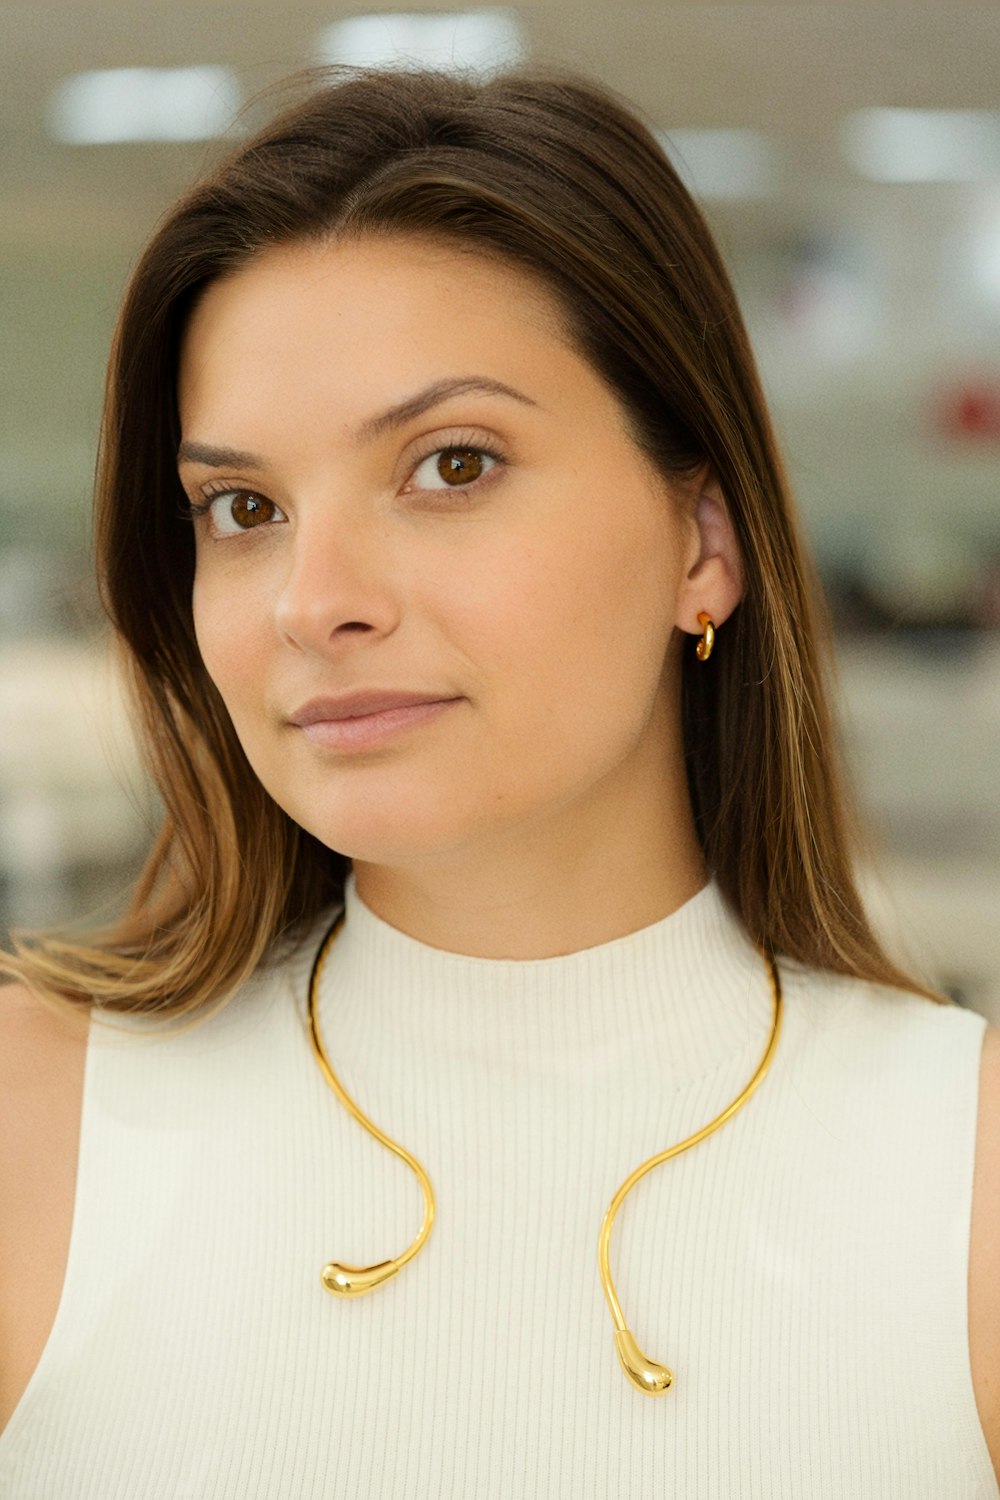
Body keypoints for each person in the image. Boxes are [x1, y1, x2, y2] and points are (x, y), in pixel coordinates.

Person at [1, 63, 997, 1498]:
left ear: (702, 541)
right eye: (244, 509)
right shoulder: (36, 1129)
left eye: (451, 465)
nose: (313, 600)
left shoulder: (968, 1186)